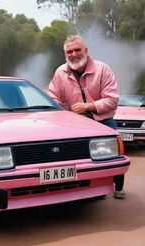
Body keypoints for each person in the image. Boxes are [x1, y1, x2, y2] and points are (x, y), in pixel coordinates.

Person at [47, 35, 125, 199]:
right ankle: (88, 188)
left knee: (112, 155)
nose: (74, 54)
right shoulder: (60, 72)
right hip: (74, 126)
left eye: (77, 50)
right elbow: (53, 98)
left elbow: (112, 100)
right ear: (65, 54)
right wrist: (67, 114)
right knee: (80, 159)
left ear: (86, 51)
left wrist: (88, 107)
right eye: (69, 51)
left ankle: (117, 186)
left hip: (103, 122)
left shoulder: (103, 69)